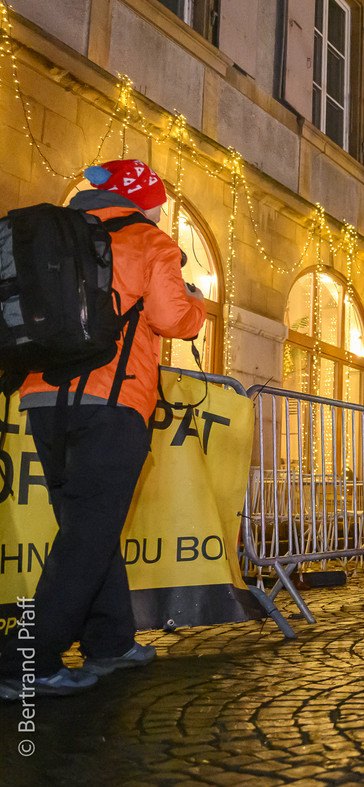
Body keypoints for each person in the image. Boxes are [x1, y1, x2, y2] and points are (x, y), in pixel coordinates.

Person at [0, 159, 207, 698]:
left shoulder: (63, 235)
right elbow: (172, 318)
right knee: (88, 534)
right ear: (145, 201)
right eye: (158, 203)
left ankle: (110, 640)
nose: (160, 211)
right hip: (112, 401)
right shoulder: (148, 240)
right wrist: (198, 305)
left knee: (88, 525)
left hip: (42, 399)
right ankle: (27, 661)